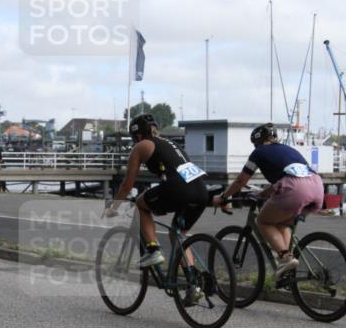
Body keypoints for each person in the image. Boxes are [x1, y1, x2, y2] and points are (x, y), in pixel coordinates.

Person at [104, 114, 209, 303]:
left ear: (137, 135)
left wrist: (114, 207)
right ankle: (193, 284)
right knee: (178, 234)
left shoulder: (141, 146)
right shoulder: (170, 144)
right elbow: (170, 175)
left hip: (180, 189)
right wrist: (162, 203)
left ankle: (153, 250)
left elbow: (127, 185)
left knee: (140, 203)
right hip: (201, 191)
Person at [211, 123, 325, 284]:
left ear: (258, 142)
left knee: (263, 221)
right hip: (317, 186)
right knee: (283, 224)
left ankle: (285, 258)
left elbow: (241, 181)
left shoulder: (259, 152)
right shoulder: (288, 150)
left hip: (294, 189)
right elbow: (283, 180)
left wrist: (223, 197)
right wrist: (262, 194)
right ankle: (287, 267)